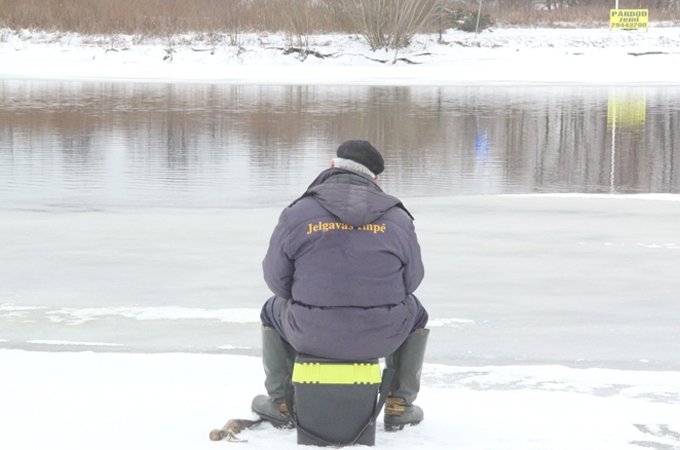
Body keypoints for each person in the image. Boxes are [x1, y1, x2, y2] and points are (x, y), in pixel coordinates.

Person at [251, 140, 429, 432]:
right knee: (416, 312)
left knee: (272, 309)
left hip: (308, 332)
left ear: (332, 166)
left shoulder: (298, 213)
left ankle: (281, 402)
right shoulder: (397, 218)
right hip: (381, 335)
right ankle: (399, 405)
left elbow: (276, 281)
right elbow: (411, 282)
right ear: (375, 178)